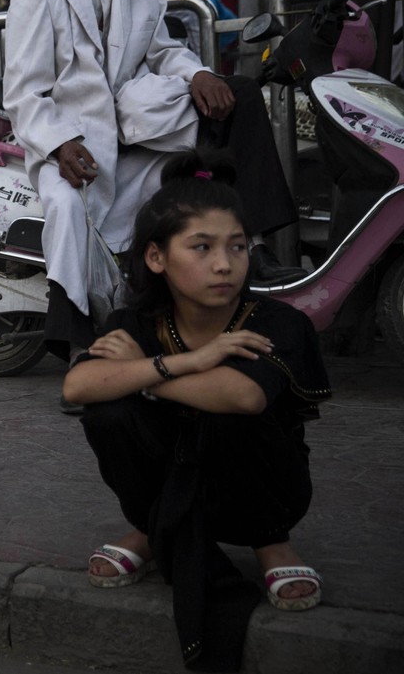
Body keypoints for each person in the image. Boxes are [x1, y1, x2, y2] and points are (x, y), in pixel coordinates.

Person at [4, 0, 298, 383]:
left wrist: (200, 72)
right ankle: (79, 346)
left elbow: (163, 50)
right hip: (71, 138)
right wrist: (59, 144)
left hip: (134, 121)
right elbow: (25, 93)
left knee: (240, 96)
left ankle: (255, 244)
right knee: (68, 209)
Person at [62, 153, 329, 671]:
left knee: (227, 412)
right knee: (107, 413)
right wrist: (189, 362)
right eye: (201, 248)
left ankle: (271, 543)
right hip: (169, 478)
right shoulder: (137, 321)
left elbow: (243, 396)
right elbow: (78, 385)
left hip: (265, 491)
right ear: (158, 258)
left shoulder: (279, 321)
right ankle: (152, 527)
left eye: (236, 247)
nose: (225, 264)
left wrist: (150, 373)